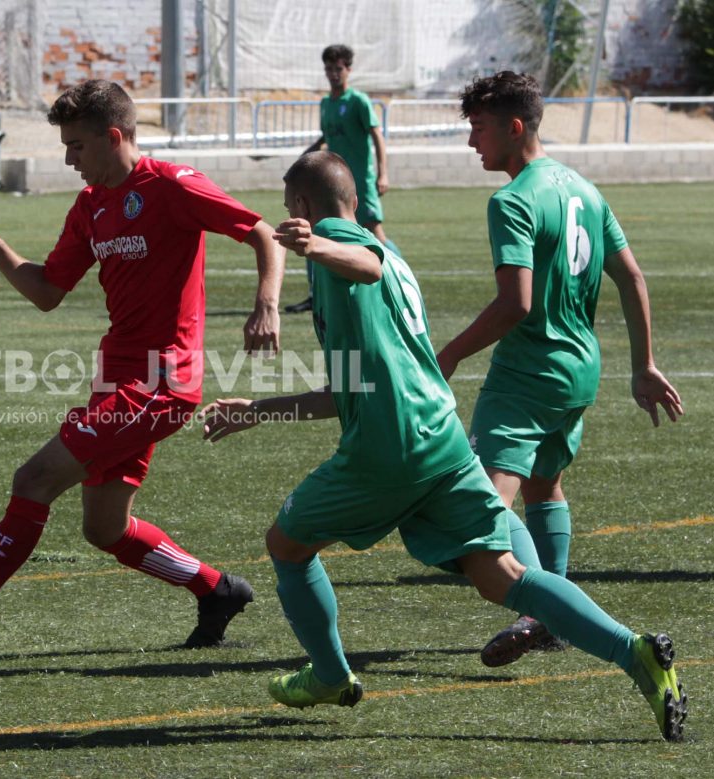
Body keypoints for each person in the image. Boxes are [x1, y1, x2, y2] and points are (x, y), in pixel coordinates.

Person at [200, 150, 686, 742]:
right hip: (442, 439)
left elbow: (363, 265)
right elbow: (353, 384)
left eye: (289, 210)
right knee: (499, 574)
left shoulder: (337, 245)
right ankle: (634, 651)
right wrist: (260, 412)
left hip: (389, 452)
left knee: (287, 544)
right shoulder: (397, 257)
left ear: (303, 207)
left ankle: (329, 676)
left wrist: (315, 246)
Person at [0, 79, 284, 661]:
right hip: (117, 379)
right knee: (103, 529)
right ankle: (217, 589)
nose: (68, 158)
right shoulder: (91, 205)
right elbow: (47, 290)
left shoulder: (172, 185)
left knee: (33, 481)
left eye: (76, 146)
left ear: (114, 136)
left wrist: (266, 304)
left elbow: (262, 232)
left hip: (161, 380)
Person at [435, 72, 684, 667]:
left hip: (527, 373)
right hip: (579, 371)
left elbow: (514, 305)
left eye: (479, 128)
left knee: (481, 513)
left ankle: (549, 611)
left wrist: (446, 355)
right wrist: (643, 363)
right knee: (545, 484)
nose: (472, 142)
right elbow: (632, 276)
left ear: (514, 127)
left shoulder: (514, 200)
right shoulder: (584, 189)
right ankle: (549, 619)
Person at [285, 44, 397, 315]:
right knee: (318, 229)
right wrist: (305, 157)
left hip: (359, 181)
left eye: (338, 69)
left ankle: (397, 275)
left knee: (374, 232)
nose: (333, 74)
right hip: (330, 184)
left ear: (348, 70)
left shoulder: (358, 101)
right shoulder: (326, 104)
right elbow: (327, 138)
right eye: (328, 69)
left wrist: (383, 172)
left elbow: (376, 136)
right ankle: (316, 293)